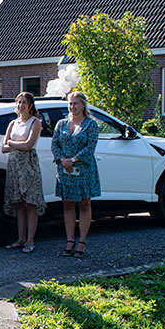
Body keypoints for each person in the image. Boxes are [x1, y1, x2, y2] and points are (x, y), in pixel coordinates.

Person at [51, 90, 100, 258]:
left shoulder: (90, 125)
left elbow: (90, 147)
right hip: (65, 170)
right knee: (68, 204)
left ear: (83, 105)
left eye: (75, 103)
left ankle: (82, 242)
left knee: (84, 204)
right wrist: (63, 160)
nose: (72, 106)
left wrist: (74, 160)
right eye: (70, 103)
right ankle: (70, 240)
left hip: (83, 169)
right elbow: (55, 145)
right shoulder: (61, 124)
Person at [1, 92, 46, 254]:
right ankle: (20, 239)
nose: (21, 105)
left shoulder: (35, 122)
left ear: (30, 105)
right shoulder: (13, 123)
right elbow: (3, 147)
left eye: (24, 102)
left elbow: (28, 145)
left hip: (29, 165)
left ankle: (30, 241)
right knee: (19, 204)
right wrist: (16, 144)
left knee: (30, 203)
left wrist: (13, 143)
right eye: (19, 102)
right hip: (14, 166)